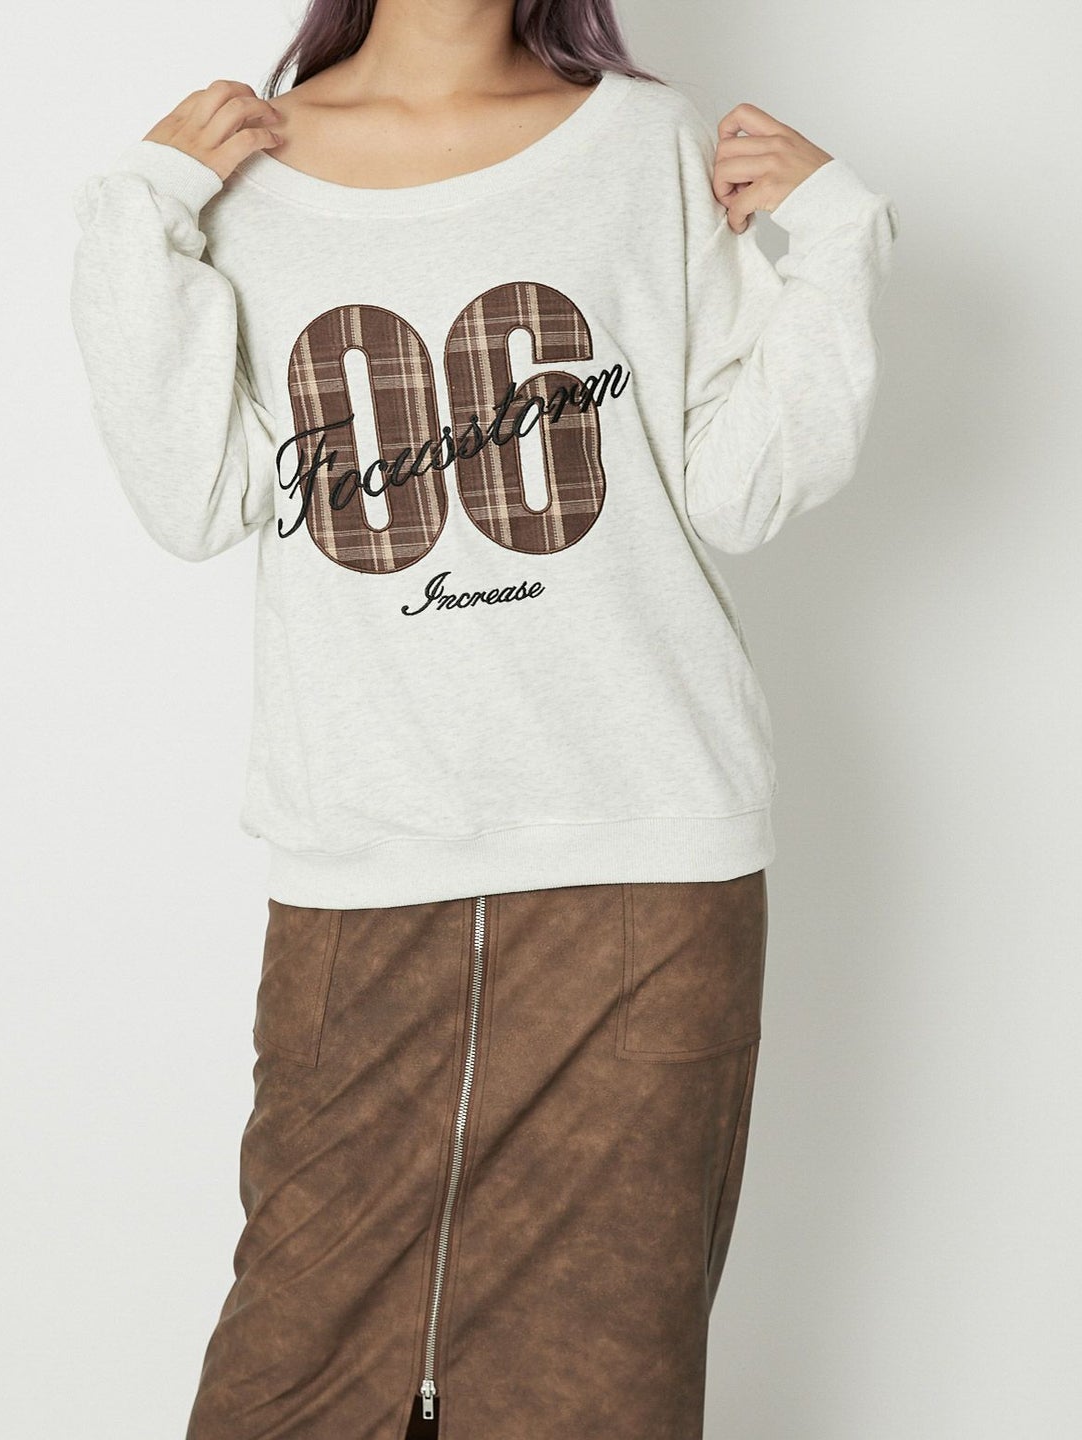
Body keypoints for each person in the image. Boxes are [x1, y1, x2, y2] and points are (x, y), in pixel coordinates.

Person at [68, 1, 899, 1436]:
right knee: (287, 1386)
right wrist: (136, 219)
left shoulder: (642, 146)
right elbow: (192, 496)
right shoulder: (246, 173)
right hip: (362, 874)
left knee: (598, 1393)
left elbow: (739, 483)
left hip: (646, 875)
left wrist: (836, 242)